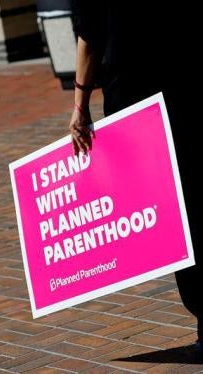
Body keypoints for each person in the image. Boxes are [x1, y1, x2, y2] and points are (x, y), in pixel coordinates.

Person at [69, 1, 202, 351]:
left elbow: (89, 35)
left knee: (170, 212)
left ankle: (200, 308)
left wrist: (80, 106)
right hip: (185, 80)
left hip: (133, 99)